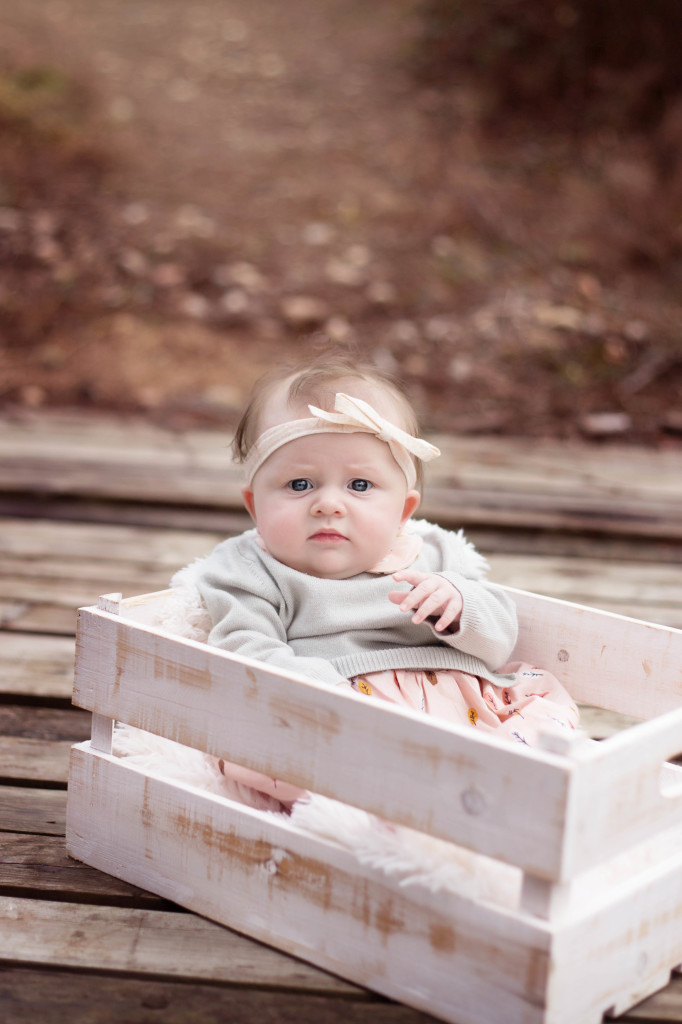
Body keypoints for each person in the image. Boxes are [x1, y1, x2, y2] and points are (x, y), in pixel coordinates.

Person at [193, 358, 579, 805]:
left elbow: (499, 640)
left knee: (538, 728)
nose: (328, 504)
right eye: (300, 484)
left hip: (463, 708)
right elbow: (245, 647)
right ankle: (417, 811)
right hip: (340, 715)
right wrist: (325, 696)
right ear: (254, 506)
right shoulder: (247, 567)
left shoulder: (434, 552)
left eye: (359, 484)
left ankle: (519, 801)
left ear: (404, 510)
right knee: (279, 758)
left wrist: (459, 606)